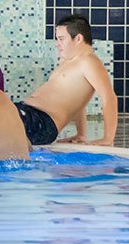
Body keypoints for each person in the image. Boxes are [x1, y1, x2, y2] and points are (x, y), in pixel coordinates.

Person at [14, 14, 118, 147]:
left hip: (41, 122)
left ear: (78, 38)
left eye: (61, 39)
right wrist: (81, 134)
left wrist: (108, 139)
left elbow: (109, 98)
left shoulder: (89, 61)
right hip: (29, 114)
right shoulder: (68, 61)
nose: (57, 44)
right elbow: (78, 100)